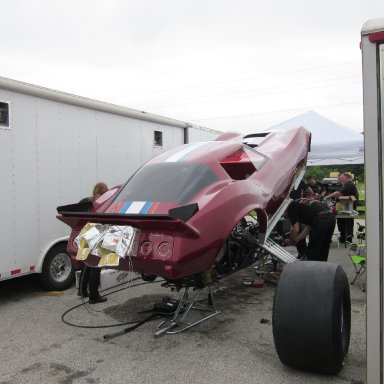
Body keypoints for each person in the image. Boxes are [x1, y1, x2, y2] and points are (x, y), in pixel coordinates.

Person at [78, 182, 109, 304]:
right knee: (96, 265)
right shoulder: (102, 204)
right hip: (97, 235)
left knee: (86, 263)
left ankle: (82, 291)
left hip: (85, 234)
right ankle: (94, 296)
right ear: (104, 194)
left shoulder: (84, 201)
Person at [325, 172, 359, 243]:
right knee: (346, 222)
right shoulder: (347, 185)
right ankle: (347, 237)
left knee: (343, 221)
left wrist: (328, 196)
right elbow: (340, 193)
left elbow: (339, 193)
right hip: (347, 206)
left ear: (347, 178)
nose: (341, 180)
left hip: (348, 206)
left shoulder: (350, 185)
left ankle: (345, 238)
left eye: (342, 178)